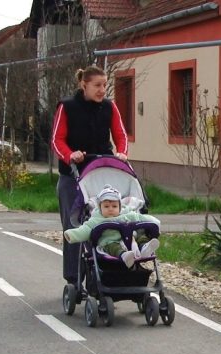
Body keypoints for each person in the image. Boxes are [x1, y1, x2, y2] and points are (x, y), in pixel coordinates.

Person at [51, 65, 129, 284]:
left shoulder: (109, 107)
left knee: (105, 222)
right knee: (74, 225)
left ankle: (102, 274)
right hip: (72, 176)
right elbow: (57, 140)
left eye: (104, 85)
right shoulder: (67, 107)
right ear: (83, 85)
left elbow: (121, 135)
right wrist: (70, 155)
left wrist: (122, 153)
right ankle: (74, 279)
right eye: (97, 85)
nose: (102, 90)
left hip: (101, 174)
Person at [64, 185, 160, 269]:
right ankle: (124, 256)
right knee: (112, 246)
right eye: (106, 206)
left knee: (140, 232)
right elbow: (85, 229)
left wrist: (155, 223)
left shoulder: (127, 214)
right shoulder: (97, 219)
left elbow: (140, 217)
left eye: (114, 206)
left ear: (120, 207)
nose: (110, 209)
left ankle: (144, 247)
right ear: (100, 208)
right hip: (110, 242)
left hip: (131, 240)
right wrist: (71, 235)